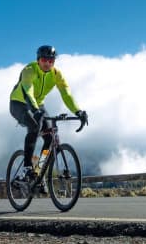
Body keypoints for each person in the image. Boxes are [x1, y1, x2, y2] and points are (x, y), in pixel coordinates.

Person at [9, 45, 88, 179]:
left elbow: (66, 94)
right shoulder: (29, 70)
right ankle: (27, 168)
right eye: (45, 60)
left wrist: (78, 111)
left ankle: (38, 170)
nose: (48, 63)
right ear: (38, 59)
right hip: (19, 103)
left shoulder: (56, 74)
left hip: (38, 105)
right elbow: (27, 91)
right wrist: (34, 110)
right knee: (34, 126)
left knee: (50, 137)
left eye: (51, 61)